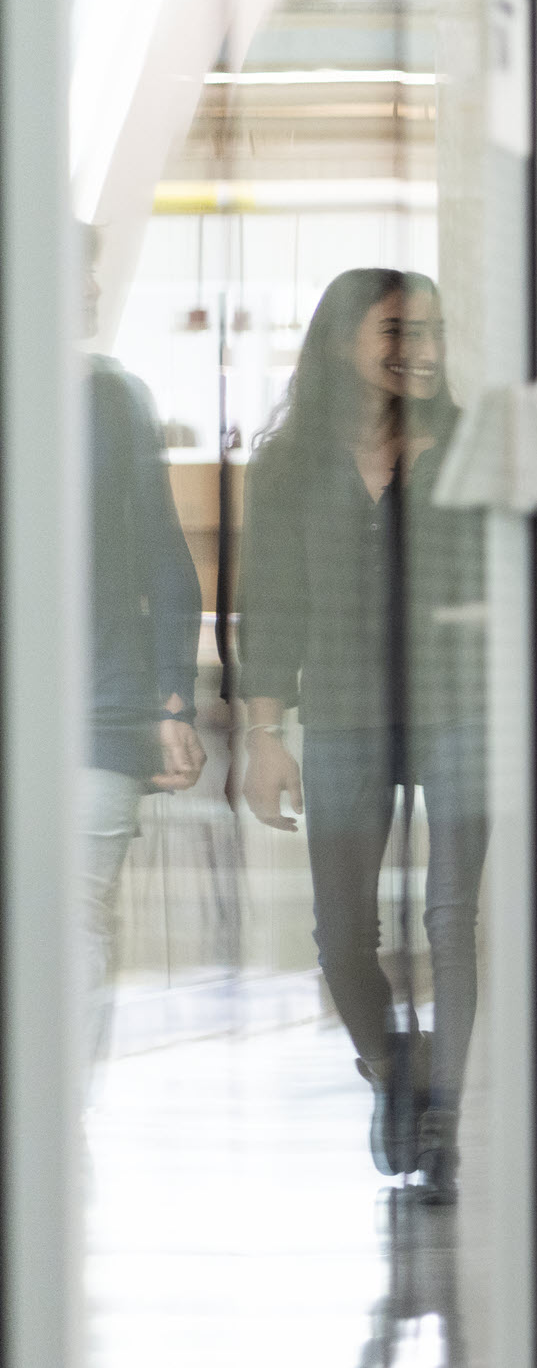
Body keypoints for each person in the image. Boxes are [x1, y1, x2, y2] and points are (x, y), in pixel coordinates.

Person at [238, 267, 490, 1205]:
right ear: (342, 340)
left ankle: (447, 1118)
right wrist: (262, 732)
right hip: (343, 712)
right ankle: (393, 1070)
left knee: (451, 921)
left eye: (430, 330)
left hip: (465, 706)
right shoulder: (289, 465)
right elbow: (268, 606)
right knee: (342, 930)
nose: (419, 349)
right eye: (395, 331)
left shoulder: (475, 444)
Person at [78, 258, 209, 1069]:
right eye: (79, 273)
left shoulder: (116, 398)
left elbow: (163, 555)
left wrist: (172, 704)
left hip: (99, 706)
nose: (95, 291)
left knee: (77, 918)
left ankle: (59, 1126)